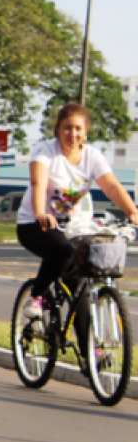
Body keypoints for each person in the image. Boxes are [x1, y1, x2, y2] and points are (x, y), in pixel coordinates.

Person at [17, 103, 138, 337]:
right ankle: (37, 296)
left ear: (86, 131)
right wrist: (41, 211)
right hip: (34, 224)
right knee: (63, 253)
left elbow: (111, 186)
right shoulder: (45, 151)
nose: (73, 134)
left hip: (70, 227)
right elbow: (38, 183)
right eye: (67, 128)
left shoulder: (92, 156)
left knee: (80, 285)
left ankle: (91, 358)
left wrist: (133, 211)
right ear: (58, 129)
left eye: (78, 129)